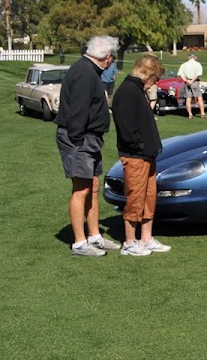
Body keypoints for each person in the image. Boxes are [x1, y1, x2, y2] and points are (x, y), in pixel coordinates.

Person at [55, 35, 122, 257]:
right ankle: (79, 243)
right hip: (79, 138)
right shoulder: (85, 73)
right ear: (109, 58)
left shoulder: (88, 70)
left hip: (88, 138)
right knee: (81, 189)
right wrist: (77, 141)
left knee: (93, 186)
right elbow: (78, 111)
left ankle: (94, 236)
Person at [111, 54, 171, 256]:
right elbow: (126, 127)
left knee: (148, 198)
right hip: (136, 155)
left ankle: (146, 238)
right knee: (135, 198)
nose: (156, 83)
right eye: (156, 79)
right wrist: (140, 146)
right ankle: (130, 242)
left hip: (147, 155)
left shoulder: (136, 90)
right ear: (148, 74)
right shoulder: (128, 91)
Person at [177, 52, 206, 118]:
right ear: (195, 57)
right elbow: (198, 74)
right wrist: (192, 81)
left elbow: (181, 74)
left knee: (188, 98)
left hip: (187, 82)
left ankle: (190, 114)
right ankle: (202, 113)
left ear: (188, 57)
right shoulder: (198, 64)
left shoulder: (183, 65)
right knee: (199, 97)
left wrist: (187, 80)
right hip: (195, 82)